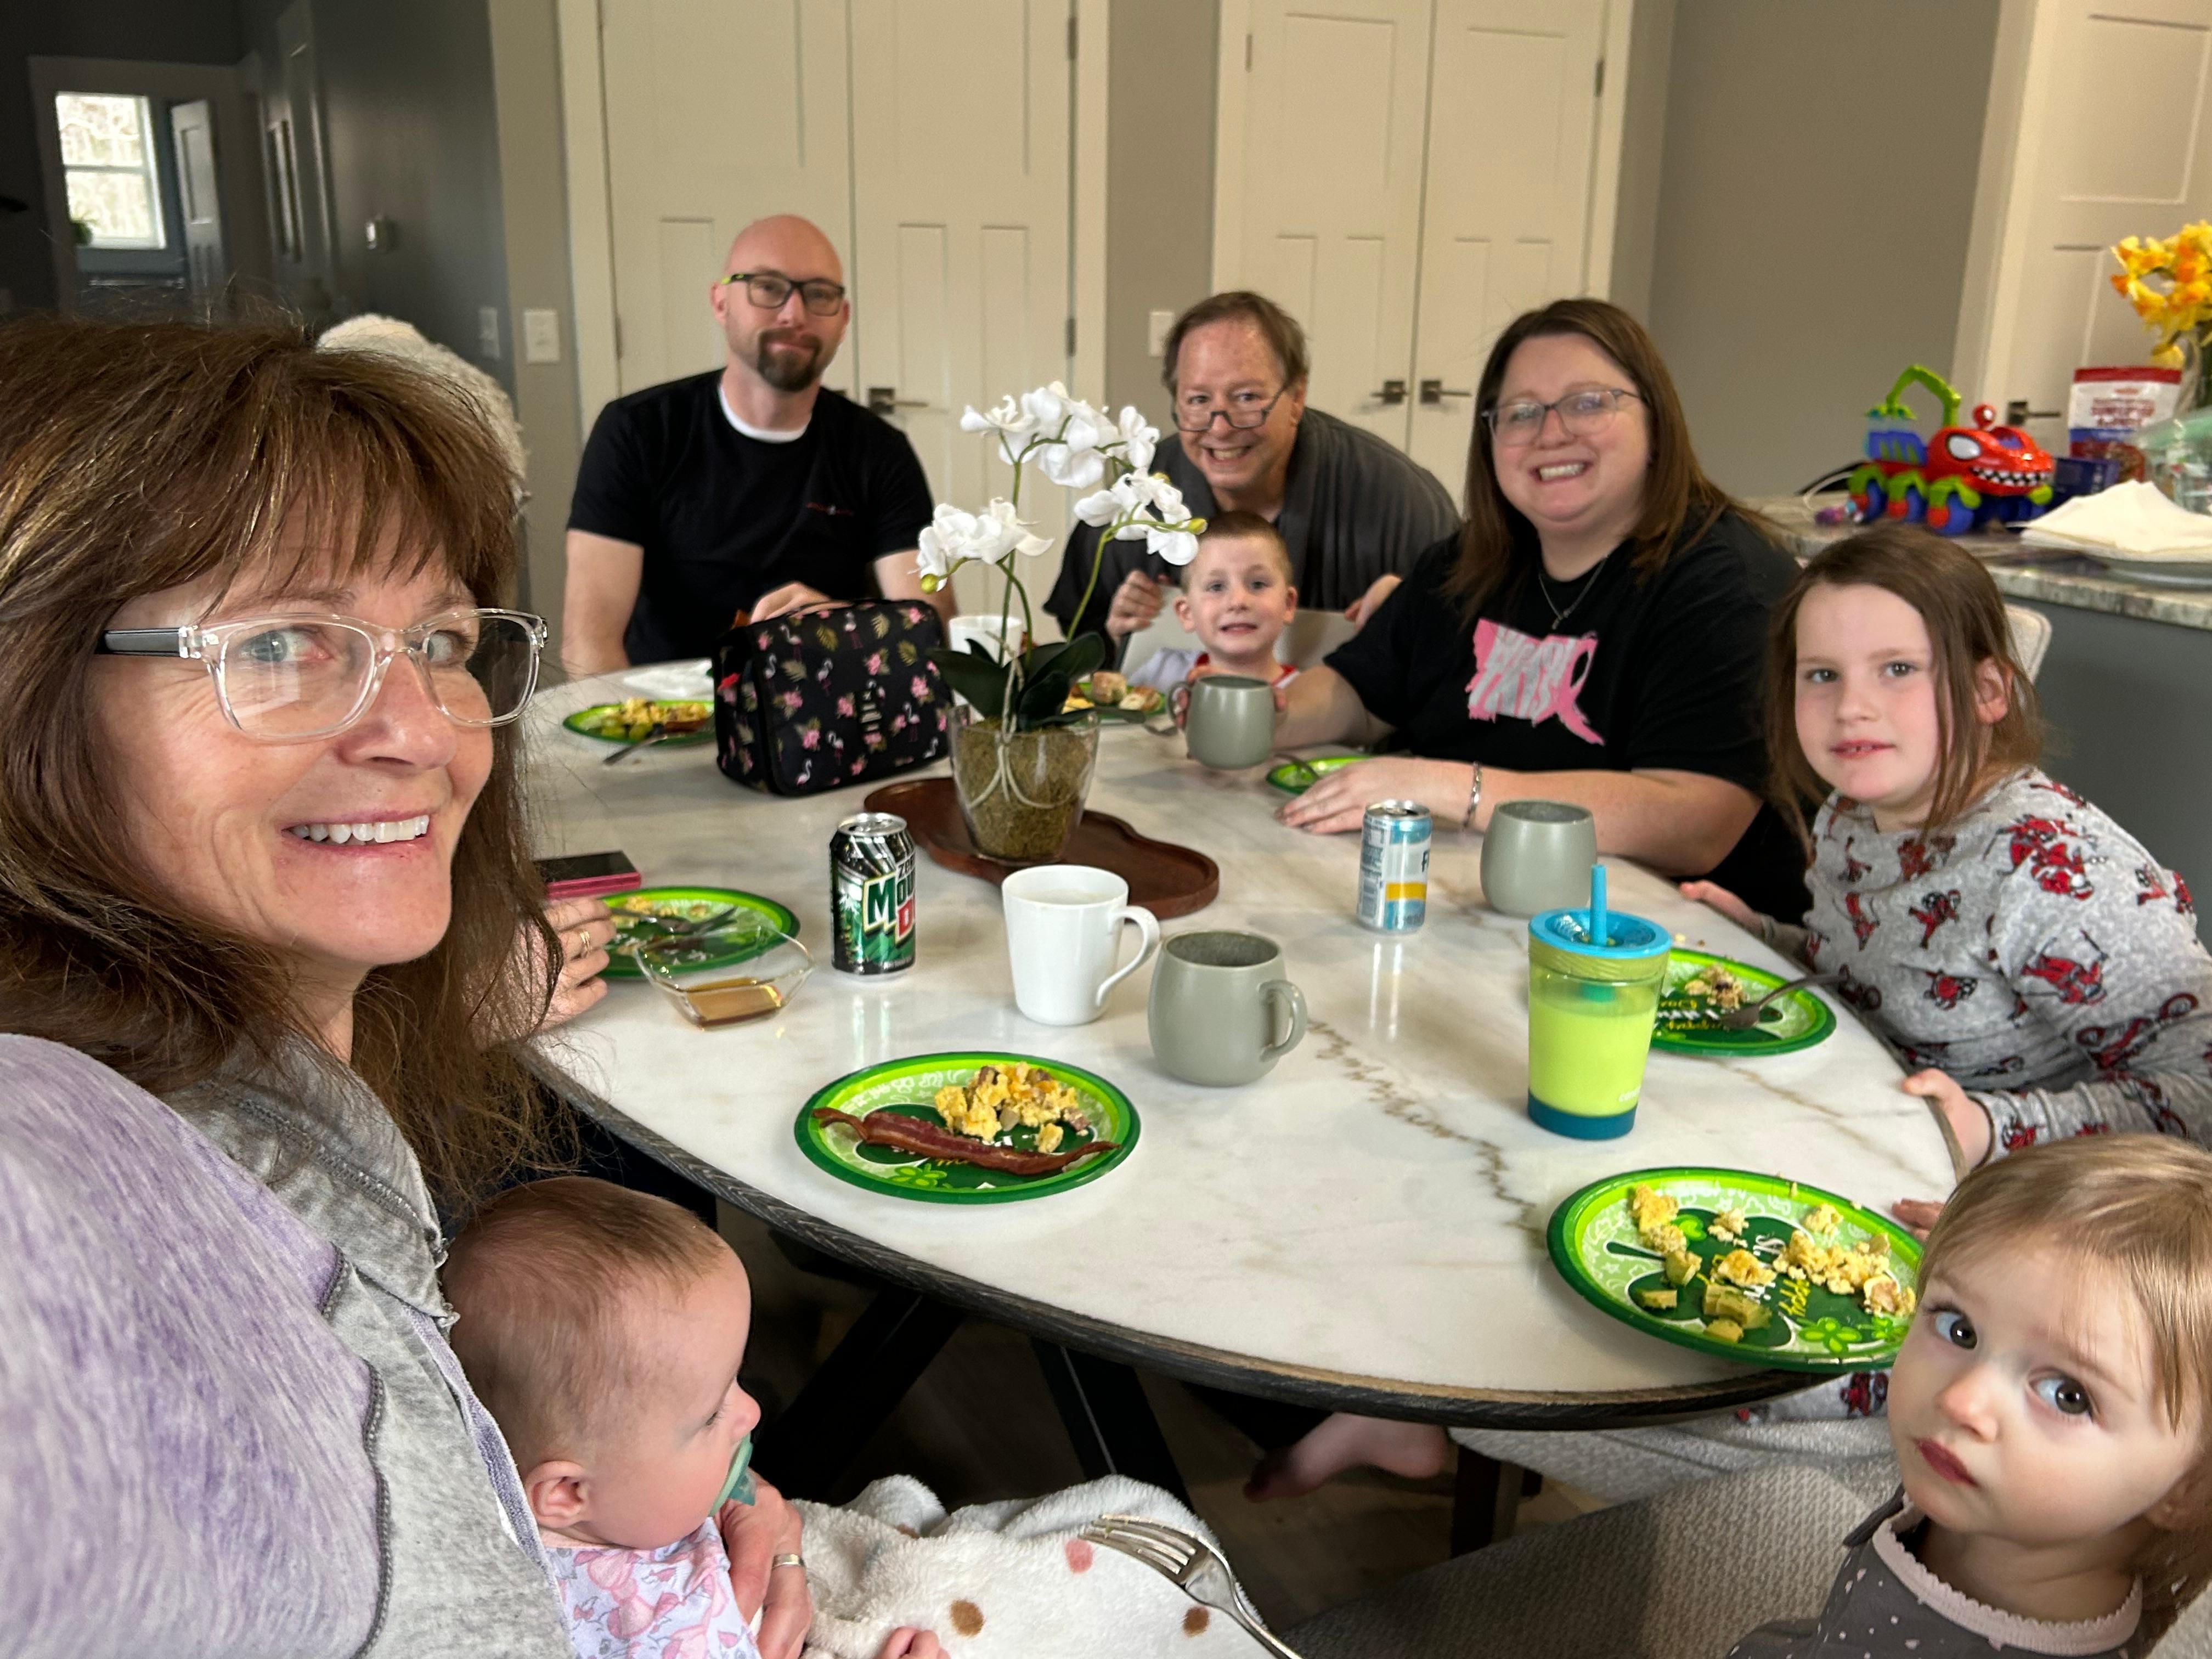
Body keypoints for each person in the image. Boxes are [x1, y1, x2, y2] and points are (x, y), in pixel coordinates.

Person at [0, 317, 805, 1655]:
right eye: (280, 643)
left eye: (439, 639)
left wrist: (686, 1485)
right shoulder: (67, 1172)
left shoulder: (315, 1085)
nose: (426, 732)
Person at [1272, 297, 1809, 922]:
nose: (1551, 433)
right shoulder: (1467, 561)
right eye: (1521, 413)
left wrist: (1440, 786)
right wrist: (1266, 714)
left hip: (1654, 940)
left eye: (1588, 403)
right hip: (1463, 900)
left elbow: (1694, 819)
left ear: (1657, 422)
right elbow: (1361, 693)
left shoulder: (1726, 583)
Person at [1692, 522, 2212, 1166]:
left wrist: (1991, 1131)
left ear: (1986, 691)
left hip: (2030, 1208)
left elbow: (2202, 1097)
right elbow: (1884, 974)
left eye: (1899, 669)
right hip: (1872, 1139)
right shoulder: (1849, 816)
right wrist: (1767, 939)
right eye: (1822, 674)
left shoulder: (2048, 870)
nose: (1851, 706)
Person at [1730, 1134, 2212, 1655]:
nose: (1961, 1401)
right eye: (1961, 1329)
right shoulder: (1982, 1486)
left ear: (2188, 1487)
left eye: (2067, 1396)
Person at [444, 1177, 940, 1659]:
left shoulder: (587, 1509)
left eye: (735, 1381)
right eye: (709, 1417)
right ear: (567, 1493)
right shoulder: (670, 1625)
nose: (752, 1412)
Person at [563, 214, 948, 673]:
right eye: (768, 288)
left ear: (843, 320)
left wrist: (843, 628)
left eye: (820, 295)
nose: (794, 314)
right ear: (721, 302)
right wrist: (631, 738)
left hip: (823, 711)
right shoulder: (638, 431)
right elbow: (589, 644)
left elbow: (929, 629)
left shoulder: (880, 450)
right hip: (669, 722)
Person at [1045, 290, 1456, 650]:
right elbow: (1083, 638)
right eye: (1198, 400)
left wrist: (1412, 627)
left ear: (1296, 396)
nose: (1220, 428)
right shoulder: (1136, 500)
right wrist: (1118, 642)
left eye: (1246, 397)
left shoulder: (1402, 505)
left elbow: (1463, 652)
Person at [1126, 510, 1301, 691]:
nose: (1238, 602)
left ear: (1288, 605)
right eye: (1217, 587)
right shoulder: (1161, 672)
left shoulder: (1307, 697)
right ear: (1187, 613)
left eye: (1258, 584)